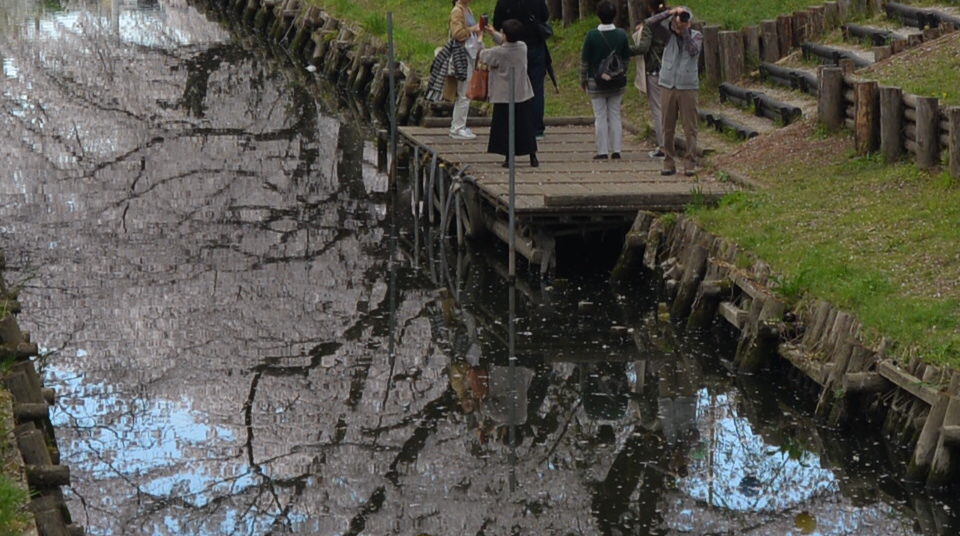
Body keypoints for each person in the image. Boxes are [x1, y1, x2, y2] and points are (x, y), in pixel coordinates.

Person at [648, 6, 702, 176]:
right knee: (667, 126)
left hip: (688, 87)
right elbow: (650, 23)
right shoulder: (667, 36)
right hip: (668, 85)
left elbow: (693, 51)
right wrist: (669, 13)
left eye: (685, 18)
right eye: (679, 19)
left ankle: (690, 163)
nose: (681, 21)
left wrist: (684, 31)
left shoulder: (696, 36)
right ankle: (668, 162)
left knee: (690, 127)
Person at [479, 19, 539, 167]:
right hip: (522, 93)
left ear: (505, 34)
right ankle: (532, 156)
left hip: (504, 96)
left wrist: (480, 39)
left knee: (505, 128)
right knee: (526, 127)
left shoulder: (498, 52)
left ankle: (508, 157)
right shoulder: (523, 47)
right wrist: (493, 33)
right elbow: (508, 42)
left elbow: (483, 55)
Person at [580, 1, 634, 160]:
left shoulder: (591, 35)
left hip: (596, 81)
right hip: (617, 81)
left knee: (600, 116)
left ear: (598, 15)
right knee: (615, 114)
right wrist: (621, 73)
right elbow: (626, 58)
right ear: (614, 15)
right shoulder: (622, 35)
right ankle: (617, 150)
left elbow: (585, 61)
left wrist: (583, 79)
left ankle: (602, 150)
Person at [493, 0, 551, 139]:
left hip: (512, 49)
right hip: (535, 45)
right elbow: (545, 15)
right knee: (536, 88)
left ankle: (514, 126)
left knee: (512, 87)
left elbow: (497, 23)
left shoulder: (504, 2)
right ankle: (536, 128)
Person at [632, 2, 671, 159]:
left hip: (655, 70)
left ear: (649, 7)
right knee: (670, 108)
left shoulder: (649, 24)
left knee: (658, 109)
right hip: (673, 70)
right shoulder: (672, 20)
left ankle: (664, 146)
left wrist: (626, 49)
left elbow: (643, 48)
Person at [448, 0, 484, 140]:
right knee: (464, 93)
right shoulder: (457, 11)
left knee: (466, 92)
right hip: (462, 55)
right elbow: (457, 34)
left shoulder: (468, 9)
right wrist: (473, 29)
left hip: (470, 54)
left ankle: (460, 125)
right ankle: (457, 128)